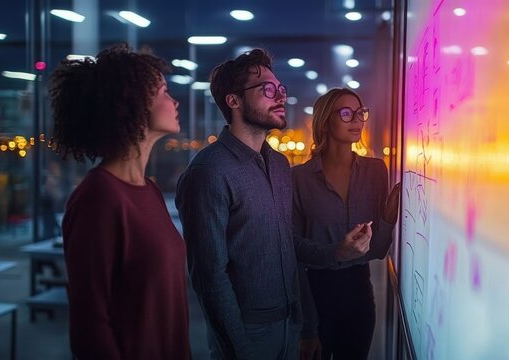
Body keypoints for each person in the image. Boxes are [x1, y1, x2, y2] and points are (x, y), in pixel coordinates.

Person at [49, 43, 191, 359]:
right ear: (134, 102)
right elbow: (89, 326)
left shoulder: (149, 191)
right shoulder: (98, 197)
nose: (174, 100)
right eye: (165, 91)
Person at [175, 48, 303, 359]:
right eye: (267, 90)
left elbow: (286, 244)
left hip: (289, 326)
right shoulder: (209, 171)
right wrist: (238, 349)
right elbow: (209, 277)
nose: (280, 96)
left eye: (281, 88)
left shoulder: (280, 165)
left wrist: (337, 252)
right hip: (247, 334)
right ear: (234, 101)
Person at [292, 88, 401, 360]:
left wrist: (388, 217)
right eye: (346, 113)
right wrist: (307, 329)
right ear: (325, 121)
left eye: (360, 113)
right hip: (315, 295)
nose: (357, 120)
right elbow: (293, 250)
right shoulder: (299, 178)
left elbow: (376, 251)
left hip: (359, 297)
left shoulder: (376, 171)